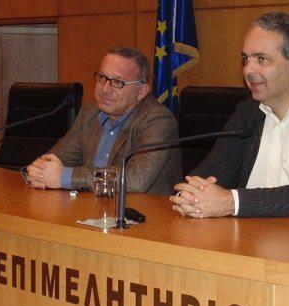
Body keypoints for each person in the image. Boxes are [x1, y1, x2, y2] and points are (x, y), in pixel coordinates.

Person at [170, 12, 289, 218]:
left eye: (262, 59)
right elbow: (213, 172)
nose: (248, 70)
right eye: (246, 59)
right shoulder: (248, 112)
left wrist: (232, 202)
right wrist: (189, 195)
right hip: (247, 233)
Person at [25, 47, 181, 195]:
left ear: (141, 91)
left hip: (144, 211)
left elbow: (136, 179)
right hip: (90, 207)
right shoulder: (91, 113)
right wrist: (40, 172)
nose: (105, 89)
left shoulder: (158, 120)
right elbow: (56, 158)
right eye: (102, 78)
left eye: (117, 82)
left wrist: (66, 177)